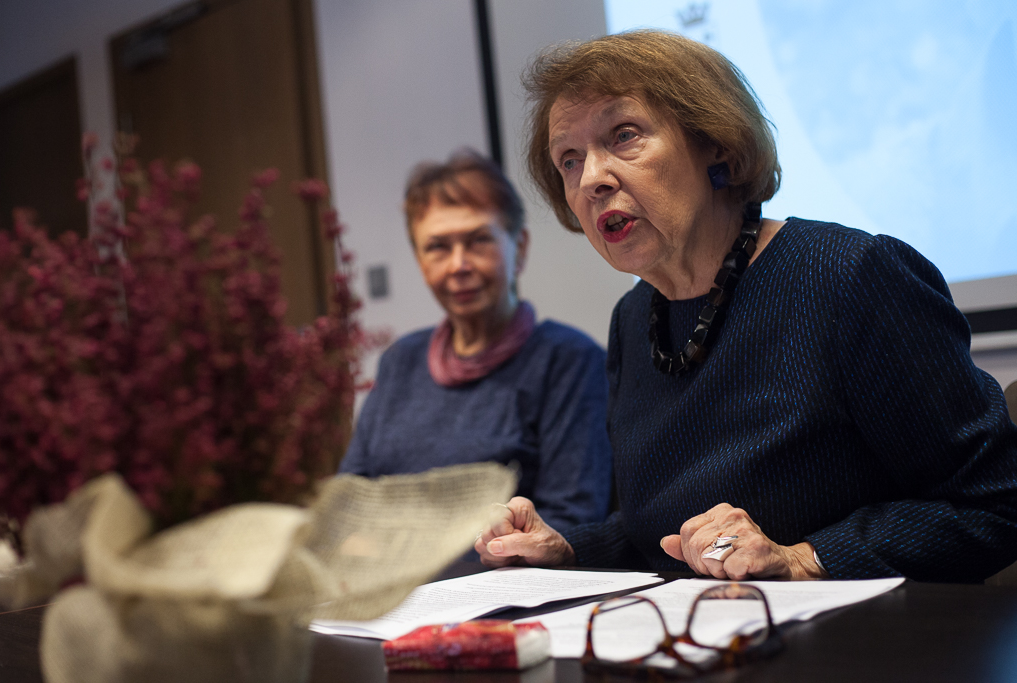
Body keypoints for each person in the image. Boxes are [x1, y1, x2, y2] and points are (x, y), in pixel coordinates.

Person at [475, 30, 1017, 582]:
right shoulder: (634, 318)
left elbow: (994, 504)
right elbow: (659, 531)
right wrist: (567, 551)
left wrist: (803, 559)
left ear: (717, 143)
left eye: (625, 135)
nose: (591, 179)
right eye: (569, 160)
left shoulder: (851, 276)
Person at [339, 150, 612, 533]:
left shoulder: (569, 361)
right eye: (438, 247)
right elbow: (349, 501)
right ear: (419, 260)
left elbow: (571, 522)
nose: (458, 265)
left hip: (502, 570)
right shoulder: (400, 360)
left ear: (519, 248)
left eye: (479, 240)